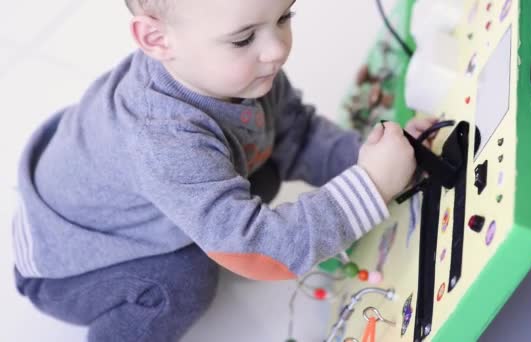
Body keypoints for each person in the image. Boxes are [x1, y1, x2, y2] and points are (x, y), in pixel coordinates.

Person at [12, 0, 435, 340]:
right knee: (179, 284)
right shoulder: (163, 138)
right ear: (156, 38)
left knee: (264, 171)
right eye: (244, 38)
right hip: (74, 265)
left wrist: (379, 157)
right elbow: (257, 250)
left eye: (284, 15)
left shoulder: (243, 74)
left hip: (132, 197)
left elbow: (297, 134)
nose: (276, 49)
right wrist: (372, 186)